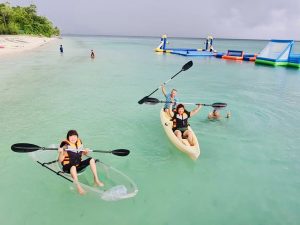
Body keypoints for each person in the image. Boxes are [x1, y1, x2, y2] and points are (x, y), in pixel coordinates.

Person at [58, 130, 104, 195]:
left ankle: (96, 180)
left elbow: (83, 153)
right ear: (68, 137)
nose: (73, 138)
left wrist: (86, 151)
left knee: (92, 160)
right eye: (71, 136)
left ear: (77, 137)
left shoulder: (79, 142)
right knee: (73, 167)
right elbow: (60, 160)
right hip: (68, 168)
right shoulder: (65, 146)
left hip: (78, 164)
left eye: (75, 136)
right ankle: (79, 188)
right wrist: (61, 152)